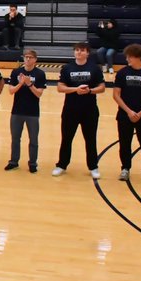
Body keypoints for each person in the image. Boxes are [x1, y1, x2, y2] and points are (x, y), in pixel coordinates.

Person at [52, 42, 106, 179]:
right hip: (70, 110)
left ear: (87, 53)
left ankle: (93, 167)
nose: (79, 52)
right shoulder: (67, 68)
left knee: (90, 139)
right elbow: (60, 87)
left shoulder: (94, 68)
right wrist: (75, 90)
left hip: (90, 110)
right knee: (66, 139)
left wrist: (90, 91)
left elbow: (102, 87)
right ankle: (61, 165)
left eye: (82, 50)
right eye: (76, 50)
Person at [112, 43, 141, 183]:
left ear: (138, 57)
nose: (127, 59)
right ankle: (125, 168)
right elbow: (116, 95)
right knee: (125, 143)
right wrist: (129, 111)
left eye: (129, 57)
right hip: (124, 115)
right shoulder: (122, 73)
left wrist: (140, 113)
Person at [5, 49, 46, 173]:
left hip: (32, 112)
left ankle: (33, 163)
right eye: (26, 57)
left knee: (33, 139)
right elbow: (11, 91)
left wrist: (29, 84)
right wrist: (21, 83)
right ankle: (13, 161)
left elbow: (39, 94)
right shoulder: (16, 72)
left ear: (35, 59)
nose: (28, 59)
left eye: (30, 57)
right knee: (15, 138)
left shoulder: (39, 74)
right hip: (17, 111)